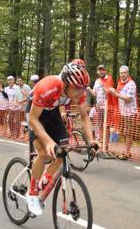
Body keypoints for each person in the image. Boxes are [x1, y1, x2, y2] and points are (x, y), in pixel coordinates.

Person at [26, 62, 98, 216]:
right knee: (44, 152)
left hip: (52, 112)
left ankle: (45, 178)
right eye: (77, 89)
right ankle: (32, 192)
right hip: (36, 113)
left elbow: (84, 117)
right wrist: (48, 141)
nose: (80, 93)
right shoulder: (48, 86)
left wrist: (91, 140)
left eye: (83, 89)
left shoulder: (79, 91)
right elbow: (33, 119)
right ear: (65, 84)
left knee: (62, 152)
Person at [109, 65, 137, 160]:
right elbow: (117, 96)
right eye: (121, 73)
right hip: (123, 111)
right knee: (125, 131)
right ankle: (126, 151)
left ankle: (127, 152)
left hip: (130, 112)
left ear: (128, 73)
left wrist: (116, 94)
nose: (123, 74)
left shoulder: (131, 84)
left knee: (128, 132)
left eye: (125, 72)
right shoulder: (120, 83)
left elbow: (129, 99)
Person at [87, 65, 116, 146]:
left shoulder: (109, 79)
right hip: (99, 107)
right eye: (99, 70)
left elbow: (108, 92)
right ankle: (100, 142)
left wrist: (102, 85)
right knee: (99, 125)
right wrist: (88, 89)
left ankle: (105, 145)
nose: (101, 72)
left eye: (102, 70)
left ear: (105, 71)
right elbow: (94, 94)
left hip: (107, 106)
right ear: (97, 72)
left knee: (106, 126)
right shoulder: (97, 81)